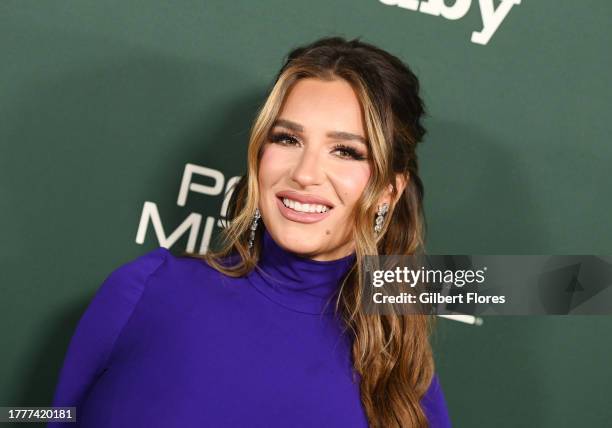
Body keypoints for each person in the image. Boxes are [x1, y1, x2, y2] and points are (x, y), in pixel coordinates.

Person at [49, 37, 451, 428]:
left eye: (345, 151)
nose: (305, 173)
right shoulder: (146, 291)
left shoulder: (402, 366)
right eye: (287, 139)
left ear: (388, 192)